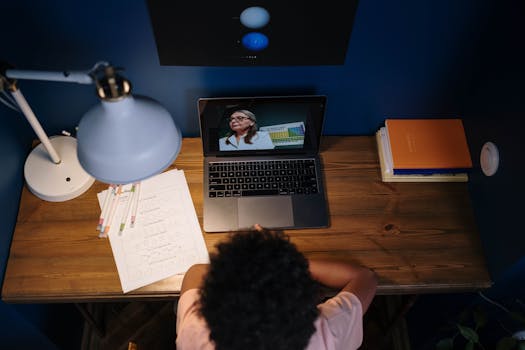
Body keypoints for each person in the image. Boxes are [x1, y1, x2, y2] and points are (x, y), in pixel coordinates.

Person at [175, 225, 378, 350]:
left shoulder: (193, 334)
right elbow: (364, 277)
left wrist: (247, 263)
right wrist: (285, 263)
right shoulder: (328, 335)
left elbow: (196, 272)